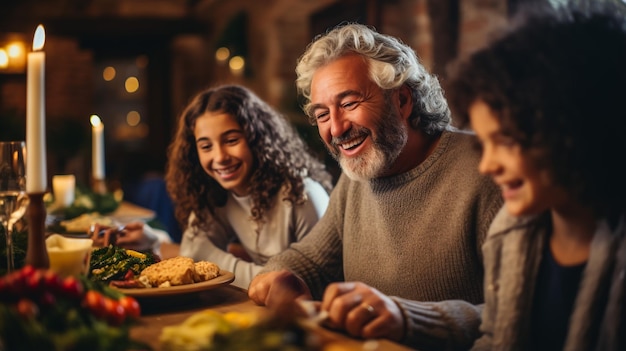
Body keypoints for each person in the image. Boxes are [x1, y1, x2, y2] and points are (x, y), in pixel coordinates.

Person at [247, 23, 503, 350]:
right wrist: (278, 276)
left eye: (350, 103)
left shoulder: (489, 168)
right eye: (322, 114)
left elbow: (521, 315)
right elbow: (308, 260)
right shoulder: (359, 173)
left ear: (403, 100)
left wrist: (406, 318)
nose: (336, 128)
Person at [446, 2, 626, 350]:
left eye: (506, 141)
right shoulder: (510, 233)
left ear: (570, 127)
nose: (487, 166)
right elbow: (495, 339)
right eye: (484, 144)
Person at [163, 84, 333, 289]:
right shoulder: (217, 194)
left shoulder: (302, 195)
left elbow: (310, 283)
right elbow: (191, 254)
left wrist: (213, 259)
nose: (220, 157)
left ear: (257, 138)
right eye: (206, 146)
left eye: (232, 140)